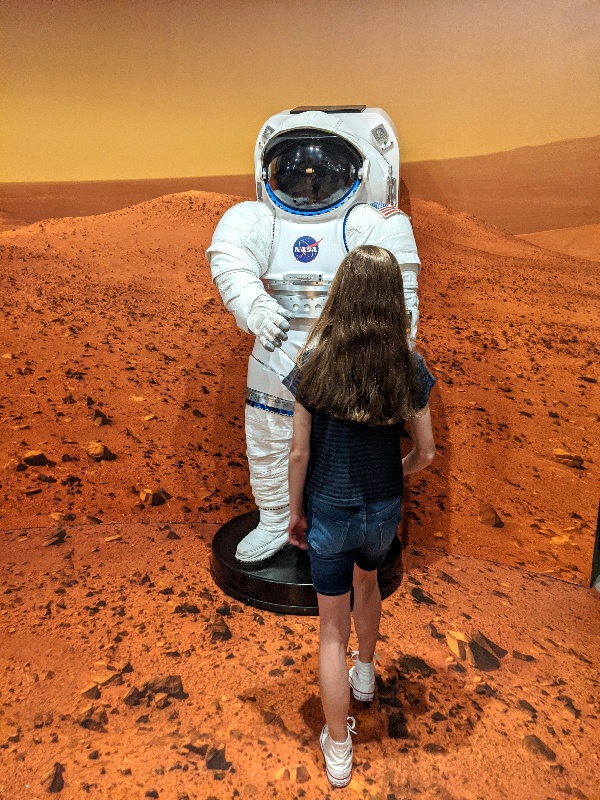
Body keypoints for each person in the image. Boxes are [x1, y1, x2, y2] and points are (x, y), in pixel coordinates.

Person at [206, 106, 422, 564]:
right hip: (275, 346)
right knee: (266, 439)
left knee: (343, 449)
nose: (309, 183)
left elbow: (398, 297)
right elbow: (229, 261)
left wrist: (393, 356)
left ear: (357, 170)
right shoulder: (257, 219)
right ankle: (274, 520)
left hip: (348, 355)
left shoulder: (372, 220)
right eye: (294, 172)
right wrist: (255, 307)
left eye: (322, 172)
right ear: (271, 173)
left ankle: (338, 523)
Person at [286, 245, 436, 788]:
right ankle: (366, 677)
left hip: (329, 510)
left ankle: (339, 749)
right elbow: (426, 454)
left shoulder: (314, 359)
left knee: (330, 629)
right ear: (391, 296)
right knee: (368, 583)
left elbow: (299, 452)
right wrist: (392, 471)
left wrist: (294, 512)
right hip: (382, 513)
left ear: (342, 291)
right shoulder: (408, 363)